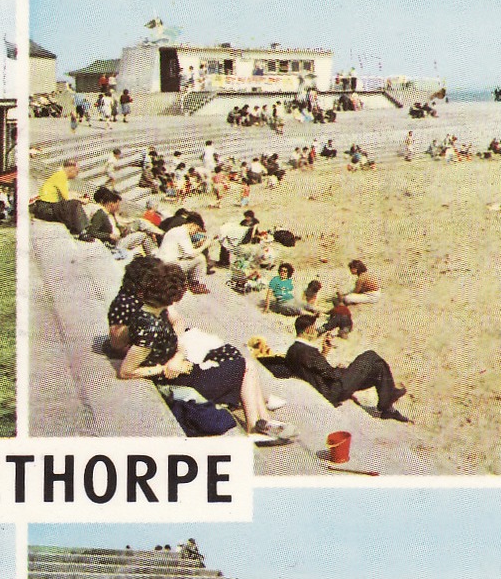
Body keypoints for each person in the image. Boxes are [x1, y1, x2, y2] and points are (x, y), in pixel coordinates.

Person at [119, 262, 288, 440]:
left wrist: (177, 356)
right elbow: (126, 371)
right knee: (246, 366)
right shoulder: (150, 329)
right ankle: (254, 428)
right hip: (183, 381)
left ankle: (263, 421)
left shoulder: (154, 313)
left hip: (187, 371)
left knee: (247, 365)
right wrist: (164, 368)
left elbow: (177, 342)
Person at [280, 336, 409, 421]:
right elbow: (331, 374)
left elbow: (314, 369)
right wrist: (341, 370)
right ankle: (388, 401)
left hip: (328, 386)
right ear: (308, 330)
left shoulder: (293, 350)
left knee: (377, 367)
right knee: (370, 356)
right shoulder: (308, 352)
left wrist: (325, 352)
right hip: (334, 390)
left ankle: (387, 405)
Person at [31, 158, 89, 235]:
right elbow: (67, 197)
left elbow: (67, 192)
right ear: (71, 169)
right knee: (74, 203)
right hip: (46, 209)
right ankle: (81, 231)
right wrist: (82, 200)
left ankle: (83, 228)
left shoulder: (60, 175)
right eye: (77, 172)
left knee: (73, 204)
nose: (77, 175)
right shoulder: (61, 176)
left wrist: (79, 196)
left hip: (47, 207)